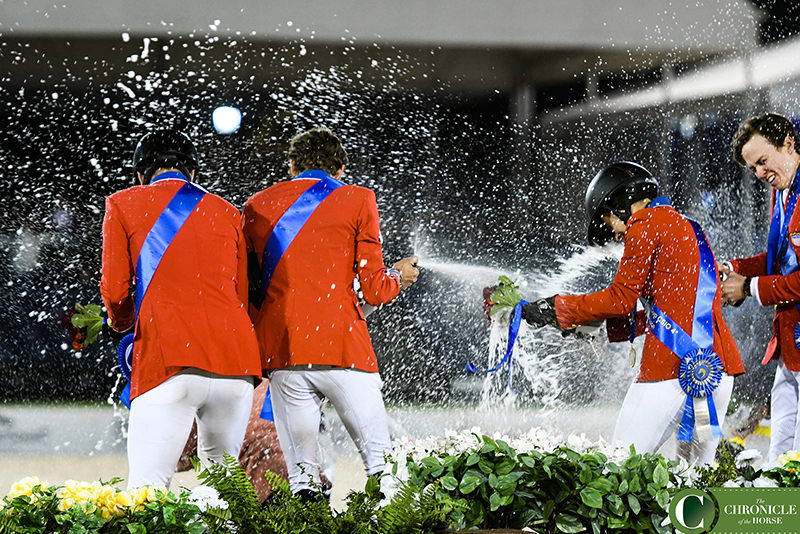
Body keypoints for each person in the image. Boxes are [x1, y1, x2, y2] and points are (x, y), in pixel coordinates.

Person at [489, 162, 745, 465]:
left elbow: (620, 299)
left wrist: (558, 307)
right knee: (697, 483)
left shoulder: (643, 223)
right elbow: (675, 307)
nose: (615, 231)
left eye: (610, 219)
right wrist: (592, 325)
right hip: (713, 373)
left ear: (622, 203)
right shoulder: (689, 226)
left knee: (618, 469)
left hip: (669, 373)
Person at [242, 127, 419, 500]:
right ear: (340, 168)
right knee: (382, 468)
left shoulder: (256, 205)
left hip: (284, 354)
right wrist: (398, 277)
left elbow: (252, 289)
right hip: (344, 350)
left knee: (301, 480)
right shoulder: (358, 199)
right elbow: (375, 289)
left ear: (291, 165)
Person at [100, 129, 262, 488]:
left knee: (147, 492)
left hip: (169, 358)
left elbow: (114, 293)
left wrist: (123, 323)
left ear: (141, 174)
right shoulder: (227, 210)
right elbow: (241, 293)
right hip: (235, 363)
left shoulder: (123, 203)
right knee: (221, 496)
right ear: (193, 172)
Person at [720, 112, 800, 465]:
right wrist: (735, 268)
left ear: (788, 143)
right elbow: (781, 257)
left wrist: (748, 288)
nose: (760, 174)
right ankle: (774, 516)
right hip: (790, 343)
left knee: (795, 460)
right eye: (753, 168)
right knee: (780, 455)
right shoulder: (782, 192)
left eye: (762, 162)